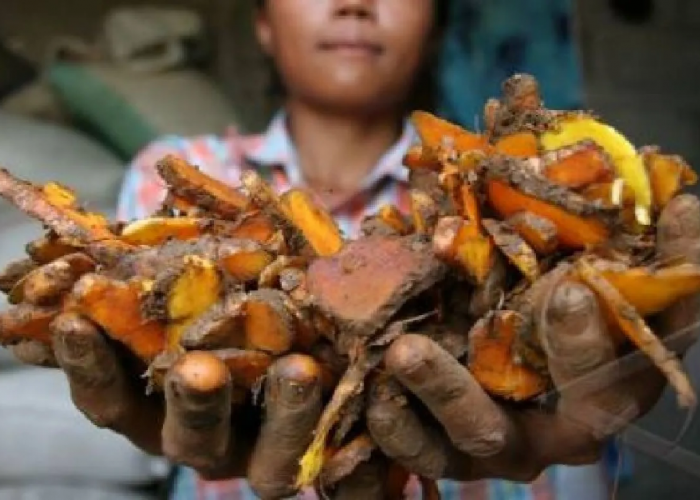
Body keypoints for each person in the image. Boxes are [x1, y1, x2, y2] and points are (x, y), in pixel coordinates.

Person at [34, 0, 700, 499]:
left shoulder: (507, 184)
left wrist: (595, 403)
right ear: (263, 23)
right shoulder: (177, 168)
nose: (354, 3)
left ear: (436, 23)